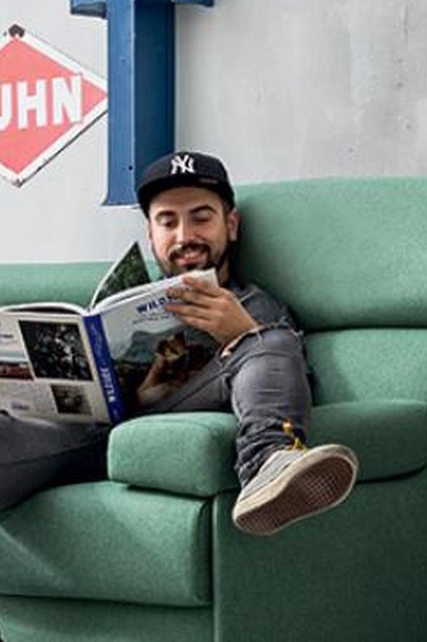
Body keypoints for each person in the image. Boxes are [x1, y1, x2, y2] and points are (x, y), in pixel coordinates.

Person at [0, 150, 358, 537]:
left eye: (201, 218)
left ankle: (268, 464)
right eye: (167, 222)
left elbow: (287, 376)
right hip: (74, 431)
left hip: (158, 426)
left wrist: (242, 334)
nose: (185, 237)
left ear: (231, 225)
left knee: (269, 338)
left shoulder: (255, 306)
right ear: (150, 235)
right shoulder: (124, 301)